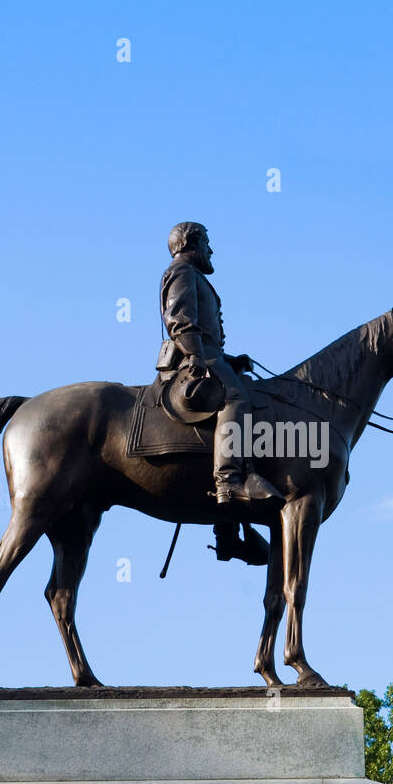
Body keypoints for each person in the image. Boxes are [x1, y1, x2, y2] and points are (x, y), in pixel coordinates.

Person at [160, 221, 278, 565]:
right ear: (191, 242)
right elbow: (179, 318)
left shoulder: (195, 276)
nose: (211, 251)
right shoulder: (181, 271)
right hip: (195, 359)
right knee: (235, 399)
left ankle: (228, 534)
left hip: (211, 356)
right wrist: (198, 356)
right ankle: (229, 483)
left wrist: (229, 359)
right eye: (207, 243)